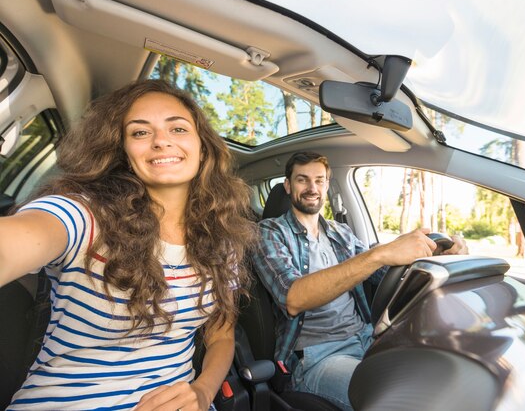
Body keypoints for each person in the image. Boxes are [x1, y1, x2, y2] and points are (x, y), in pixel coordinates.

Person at [0, 79, 255, 410]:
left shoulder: (222, 242)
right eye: (140, 132)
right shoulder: (86, 216)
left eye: (178, 129)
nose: (161, 141)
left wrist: (203, 390)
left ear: (203, 147)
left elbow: (221, 333)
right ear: (121, 150)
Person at [251, 151, 468, 410]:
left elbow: (381, 272)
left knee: (442, 378)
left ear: (327, 185)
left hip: (367, 338)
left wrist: (436, 254)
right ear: (288, 186)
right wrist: (380, 253)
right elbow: (293, 298)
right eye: (302, 180)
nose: (312, 188)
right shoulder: (269, 232)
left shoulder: (340, 231)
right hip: (318, 357)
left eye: (320, 180)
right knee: (401, 401)